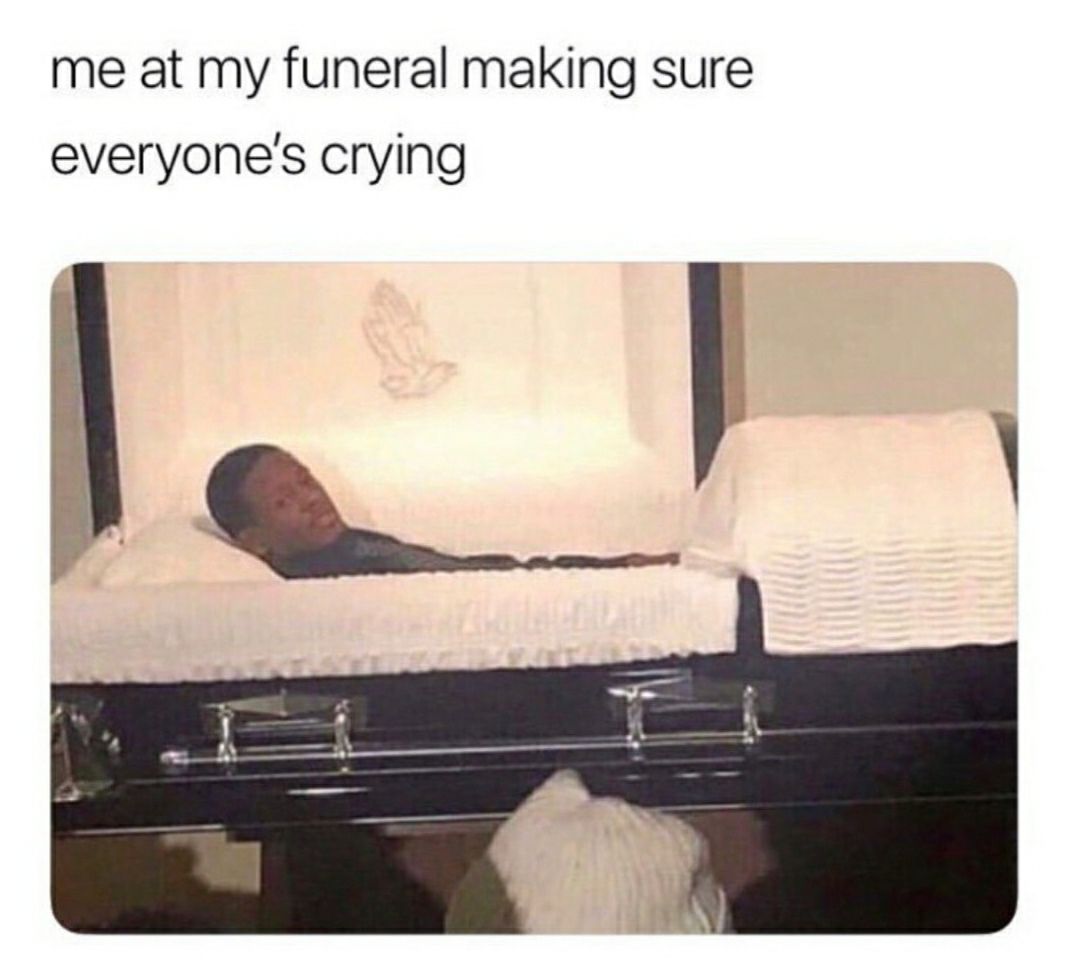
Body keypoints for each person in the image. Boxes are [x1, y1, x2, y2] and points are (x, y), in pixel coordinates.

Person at [206, 443, 677, 579]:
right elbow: (489, 582)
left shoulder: (349, 550)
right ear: (254, 541)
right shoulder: (350, 565)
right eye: (284, 501)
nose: (311, 498)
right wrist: (623, 569)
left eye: (306, 480)